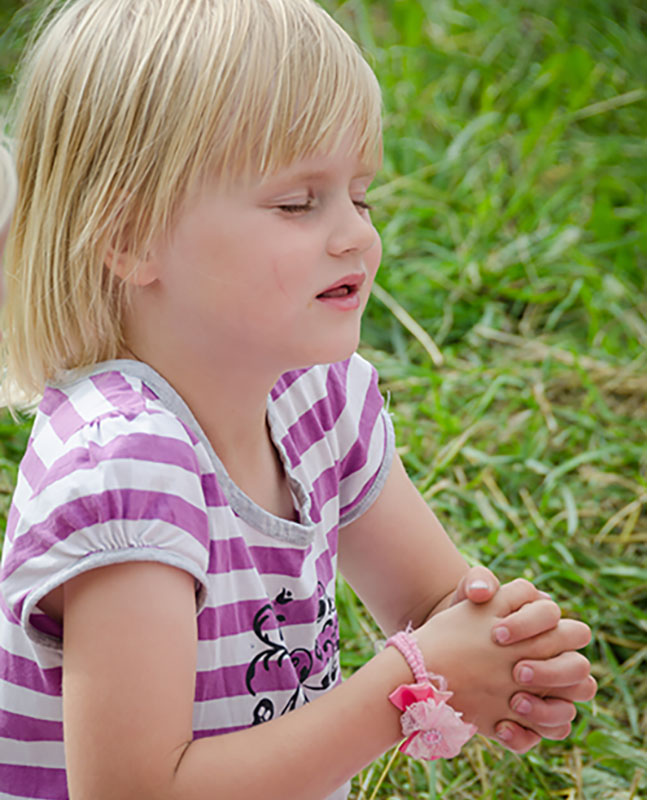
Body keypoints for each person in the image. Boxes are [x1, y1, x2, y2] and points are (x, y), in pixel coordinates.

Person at [0, 1, 596, 799]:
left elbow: (430, 599)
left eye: (360, 194)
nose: (356, 234)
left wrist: (506, 653)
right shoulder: (126, 471)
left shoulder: (315, 399)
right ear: (131, 235)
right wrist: (405, 687)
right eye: (296, 202)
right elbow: (140, 790)